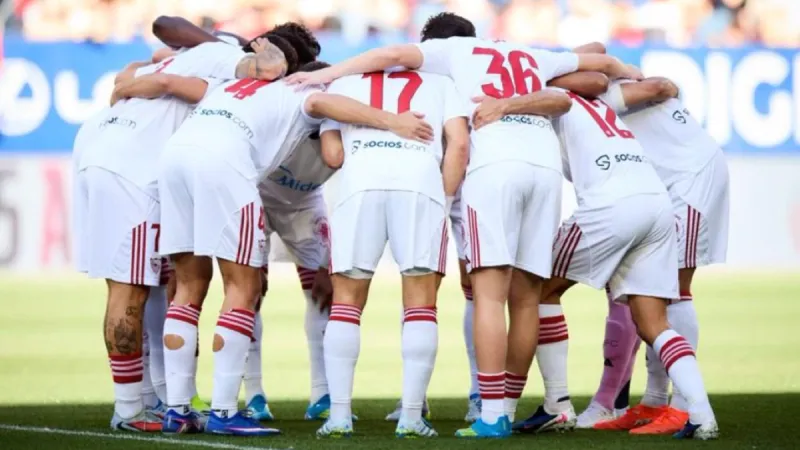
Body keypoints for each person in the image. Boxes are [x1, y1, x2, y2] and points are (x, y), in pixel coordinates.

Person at [286, 12, 641, 439]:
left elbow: (346, 139)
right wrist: (623, 69)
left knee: (468, 293)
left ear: (431, 44)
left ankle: (353, 414)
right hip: (532, 171)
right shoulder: (508, 59)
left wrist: (332, 74)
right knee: (518, 296)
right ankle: (482, 406)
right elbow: (589, 73)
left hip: (471, 172)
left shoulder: (431, 64)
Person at [156, 58, 433, 436]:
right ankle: (243, 399)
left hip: (281, 195)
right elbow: (323, 115)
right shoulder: (309, 98)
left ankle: (184, 407)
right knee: (248, 288)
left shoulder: (240, 91)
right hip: (254, 188)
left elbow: (174, 80)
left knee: (202, 286)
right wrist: (394, 120)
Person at [74, 35, 289, 432]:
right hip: (134, 166)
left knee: (151, 282)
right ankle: (128, 409)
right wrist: (260, 50)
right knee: (130, 288)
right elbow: (273, 66)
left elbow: (142, 70)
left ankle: (149, 397)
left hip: (99, 148)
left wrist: (134, 80)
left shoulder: (165, 62)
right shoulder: (221, 57)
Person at [314, 63, 470, 439]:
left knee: (346, 302)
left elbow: (333, 155)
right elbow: (460, 144)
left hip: (359, 185)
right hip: (419, 182)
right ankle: (412, 417)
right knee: (420, 301)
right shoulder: (441, 80)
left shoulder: (343, 82)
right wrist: (443, 197)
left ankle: (338, 417)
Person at [586, 76, 728, 438]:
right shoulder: (596, 98)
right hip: (670, 182)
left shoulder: (599, 96)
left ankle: (683, 407)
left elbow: (663, 86)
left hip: (689, 178)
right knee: (656, 289)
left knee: (675, 288)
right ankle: (653, 401)